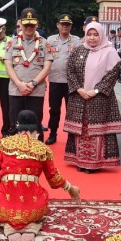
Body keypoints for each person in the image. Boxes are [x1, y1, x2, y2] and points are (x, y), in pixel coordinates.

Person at [0, 110, 81, 241]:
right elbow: (53, 179)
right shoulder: (43, 149)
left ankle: (9, 226)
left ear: (17, 126)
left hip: (4, 207)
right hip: (33, 207)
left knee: (4, 208)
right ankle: (31, 226)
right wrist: (70, 188)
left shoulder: (2, 145)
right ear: (36, 129)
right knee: (36, 206)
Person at [63, 21, 121, 173]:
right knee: (81, 130)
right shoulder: (78, 50)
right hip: (79, 97)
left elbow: (113, 74)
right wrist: (79, 89)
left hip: (100, 98)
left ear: (101, 35)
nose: (92, 38)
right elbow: (70, 71)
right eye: (89, 34)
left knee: (96, 131)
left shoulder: (109, 52)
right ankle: (79, 161)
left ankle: (94, 164)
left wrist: (96, 91)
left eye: (95, 34)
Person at [3, 8, 53, 139]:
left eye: (32, 24)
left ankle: (36, 155)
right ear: (20, 24)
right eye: (26, 24)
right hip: (16, 89)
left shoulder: (44, 42)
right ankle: (15, 156)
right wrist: (19, 84)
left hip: (36, 90)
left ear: (37, 24)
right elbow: (8, 65)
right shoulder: (12, 42)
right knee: (15, 124)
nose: (29, 27)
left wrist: (33, 83)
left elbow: (47, 67)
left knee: (35, 124)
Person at [45, 14, 81, 145]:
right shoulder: (50, 40)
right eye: (62, 24)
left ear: (71, 26)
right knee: (54, 109)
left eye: (67, 24)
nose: (65, 26)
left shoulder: (76, 41)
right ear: (58, 25)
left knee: (71, 111)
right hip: (54, 80)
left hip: (71, 81)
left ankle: (72, 137)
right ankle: (52, 133)